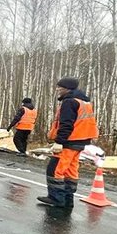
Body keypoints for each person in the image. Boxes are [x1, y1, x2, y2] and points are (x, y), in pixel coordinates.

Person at [38, 77, 98, 208]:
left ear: (67, 89)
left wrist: (59, 142)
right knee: (70, 170)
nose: (57, 89)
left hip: (69, 141)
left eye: (60, 87)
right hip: (81, 141)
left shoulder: (69, 102)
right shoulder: (84, 102)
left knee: (55, 169)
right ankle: (68, 199)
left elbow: (66, 124)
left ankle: (56, 198)